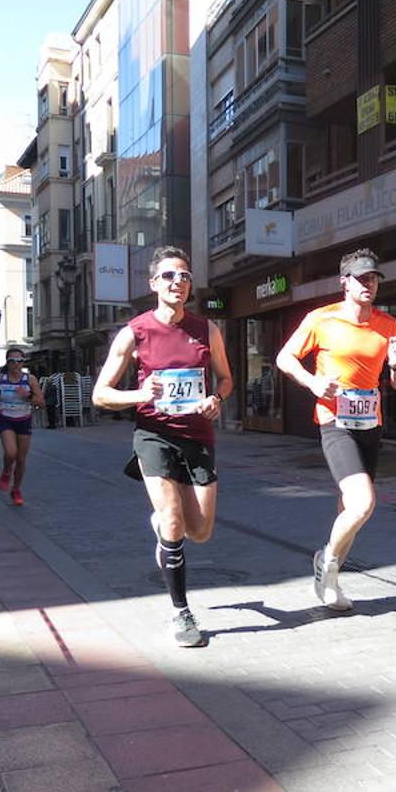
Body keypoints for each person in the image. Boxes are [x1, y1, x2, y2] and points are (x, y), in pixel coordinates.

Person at [93, 246, 234, 648]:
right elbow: (101, 395)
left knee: (201, 531)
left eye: (185, 276)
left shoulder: (207, 330)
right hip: (154, 434)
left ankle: (163, 530)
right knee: (174, 519)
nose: (178, 282)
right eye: (170, 276)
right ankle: (180, 612)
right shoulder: (134, 332)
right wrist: (139, 393)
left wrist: (217, 400)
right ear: (154, 284)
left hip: (198, 435)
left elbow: (225, 379)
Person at [276, 248, 396, 611]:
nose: (370, 284)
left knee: (347, 508)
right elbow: (284, 358)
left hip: (370, 422)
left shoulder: (388, 325)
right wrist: (313, 383)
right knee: (363, 502)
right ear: (344, 282)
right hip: (335, 421)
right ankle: (327, 563)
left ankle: (330, 580)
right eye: (362, 277)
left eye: (374, 278)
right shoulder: (321, 319)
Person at [0, 349, 45, 506]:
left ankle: (16, 489)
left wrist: (27, 396)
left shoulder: (30, 379)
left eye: (19, 360)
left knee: (21, 459)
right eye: (12, 361)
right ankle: (7, 471)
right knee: (11, 452)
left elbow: (41, 403)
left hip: (24, 420)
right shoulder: (0, 378)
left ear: (23, 362)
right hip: (6, 419)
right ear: (7, 362)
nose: (16, 364)